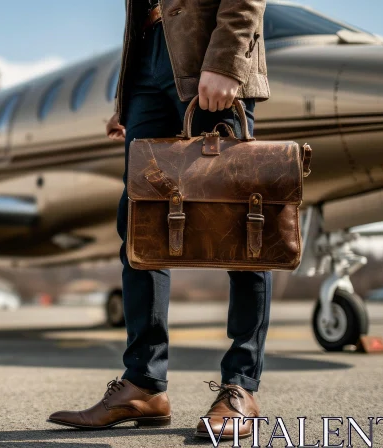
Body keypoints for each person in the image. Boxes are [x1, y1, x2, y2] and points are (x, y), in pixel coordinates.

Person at [47, 0, 271, 440]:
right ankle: (144, 385)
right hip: (149, 67)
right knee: (139, 225)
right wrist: (127, 99)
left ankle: (241, 386)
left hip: (209, 52)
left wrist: (226, 60)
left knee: (239, 223)